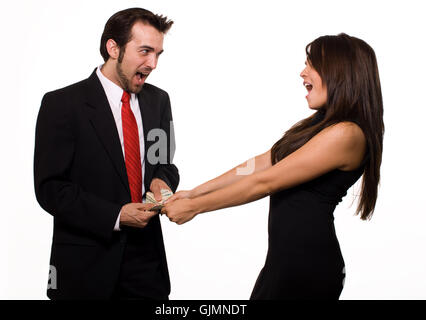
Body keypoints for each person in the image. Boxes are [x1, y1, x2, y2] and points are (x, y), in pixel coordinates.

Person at [163, 33, 384, 300]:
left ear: (340, 72)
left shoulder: (347, 134)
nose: (303, 72)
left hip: (308, 267)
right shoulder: (319, 124)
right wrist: (195, 193)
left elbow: (266, 181)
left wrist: (196, 207)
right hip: (283, 263)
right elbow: (258, 165)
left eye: (311, 65)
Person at [34, 8, 179, 300]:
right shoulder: (61, 105)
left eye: (158, 54)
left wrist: (160, 183)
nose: (153, 64)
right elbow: (50, 189)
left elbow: (164, 163)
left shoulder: (158, 101)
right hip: (84, 268)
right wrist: (116, 215)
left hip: (147, 269)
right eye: (145, 51)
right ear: (113, 48)